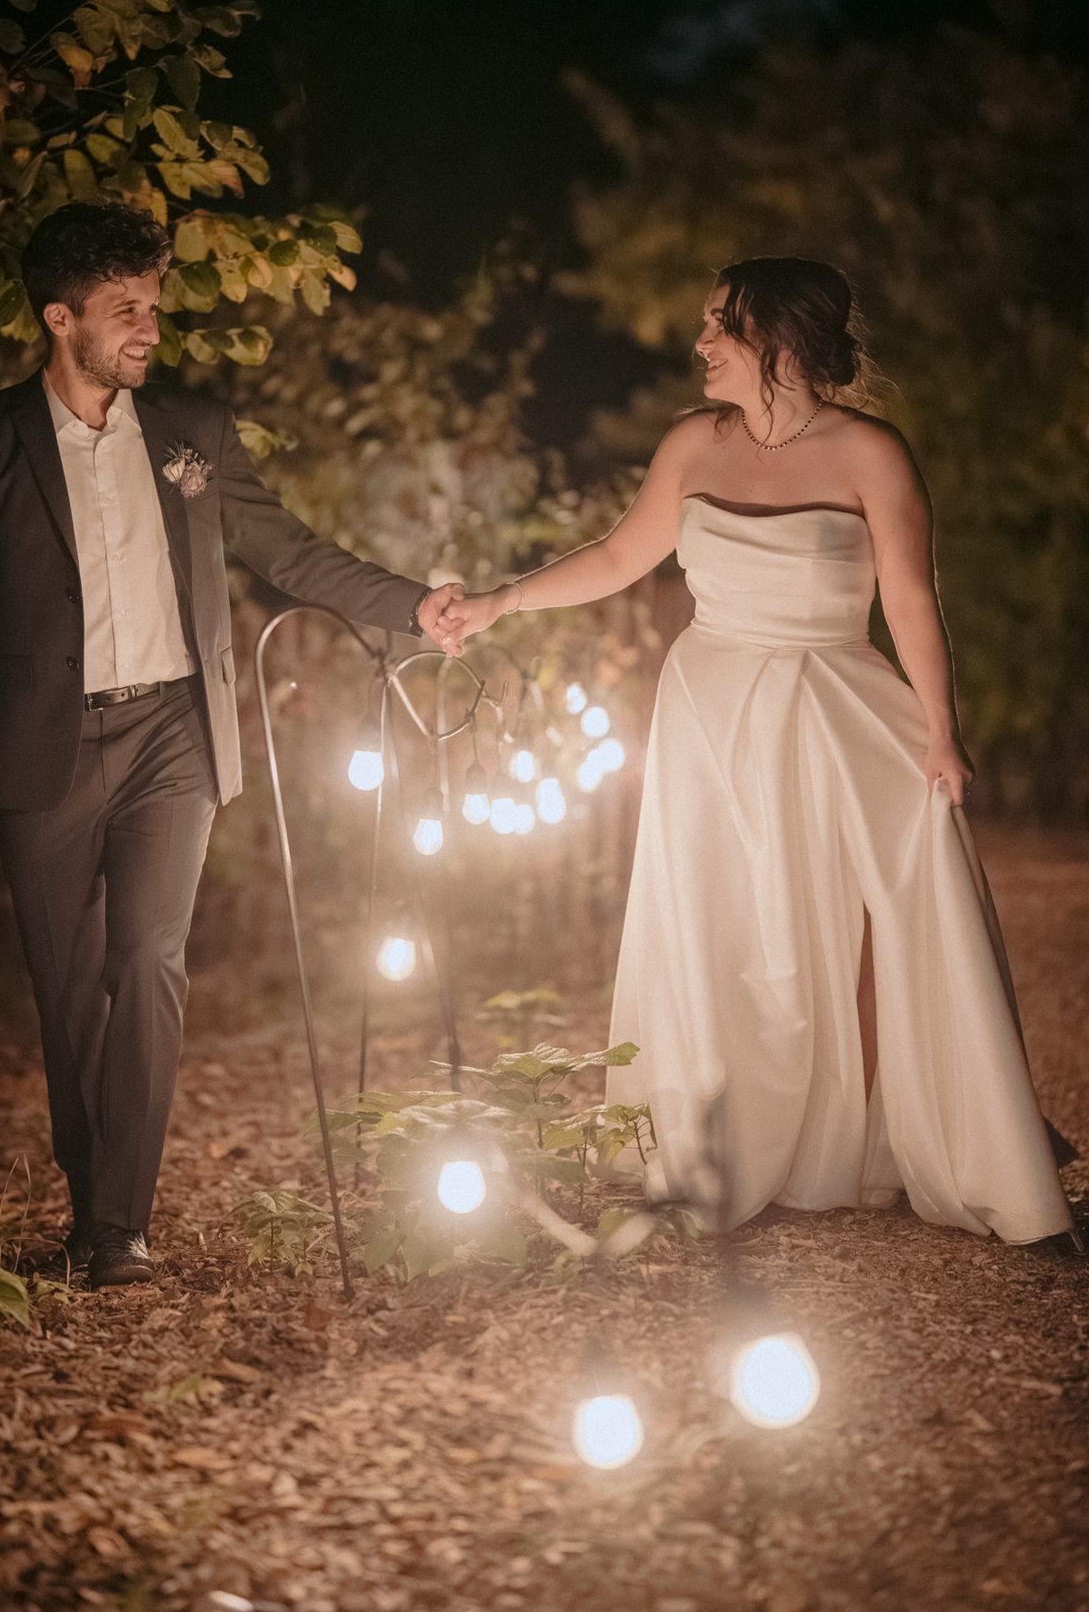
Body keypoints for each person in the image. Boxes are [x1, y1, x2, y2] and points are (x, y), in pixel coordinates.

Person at [443, 257, 1082, 1250]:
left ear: (774, 341)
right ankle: (721, 1145)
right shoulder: (690, 446)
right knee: (723, 918)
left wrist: (942, 733)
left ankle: (950, 1136)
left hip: (839, 703)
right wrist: (496, 604)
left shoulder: (870, 452)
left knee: (899, 904)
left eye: (718, 327)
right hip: (713, 709)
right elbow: (618, 557)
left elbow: (910, 603)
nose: (699, 344)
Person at [0, 200, 466, 1291]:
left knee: (148, 962)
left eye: (153, 304)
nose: (148, 326)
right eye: (124, 309)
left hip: (173, 735)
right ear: (62, 319)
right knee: (69, 991)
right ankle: (90, 1192)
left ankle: (119, 1229)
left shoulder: (193, 433)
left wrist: (410, 606)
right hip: (42, 746)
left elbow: (287, 549)